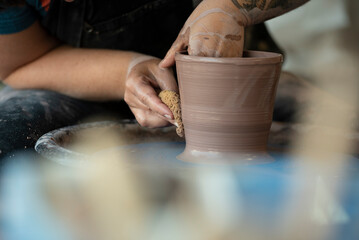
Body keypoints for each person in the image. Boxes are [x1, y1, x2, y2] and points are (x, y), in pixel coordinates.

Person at [0, 0, 308, 159]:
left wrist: (229, 7)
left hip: (236, 88)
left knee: (338, 124)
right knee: (11, 139)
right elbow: (20, 62)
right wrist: (125, 72)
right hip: (82, 83)